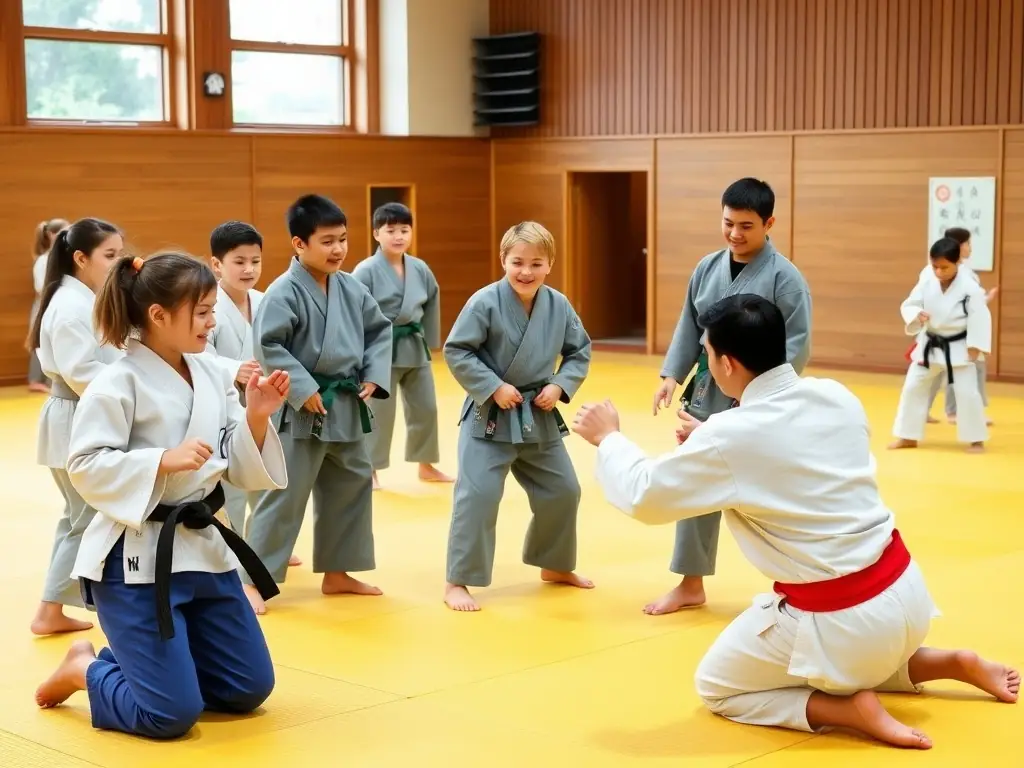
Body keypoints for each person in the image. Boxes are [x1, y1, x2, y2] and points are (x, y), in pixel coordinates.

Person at [572, 293, 1018, 750]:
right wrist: (712, 441)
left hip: (845, 621)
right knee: (855, 648)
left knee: (718, 685)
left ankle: (845, 708)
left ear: (727, 364)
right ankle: (950, 662)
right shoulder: (834, 395)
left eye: (706, 356)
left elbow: (645, 495)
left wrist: (610, 439)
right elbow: (796, 458)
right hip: (909, 595)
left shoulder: (734, 435)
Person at [34, 252, 288, 740]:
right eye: (203, 312)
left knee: (246, 689)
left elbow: (234, 462)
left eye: (213, 311)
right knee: (170, 716)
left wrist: (256, 416)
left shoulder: (212, 373)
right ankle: (87, 669)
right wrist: (159, 460)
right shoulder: (116, 382)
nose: (212, 323)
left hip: (202, 549)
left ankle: (155, 664)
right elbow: (84, 464)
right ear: (158, 315)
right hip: (135, 560)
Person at [648, 178, 811, 616]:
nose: (735, 234)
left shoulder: (785, 279)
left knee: (770, 491)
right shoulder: (706, 267)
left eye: (746, 225)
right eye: (728, 223)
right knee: (695, 479)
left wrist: (760, 401)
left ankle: (800, 582)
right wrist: (672, 374)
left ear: (769, 223)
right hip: (707, 388)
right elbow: (690, 324)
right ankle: (690, 581)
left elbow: (797, 346)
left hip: (757, 400)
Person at [243, 194, 393, 614]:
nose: (338, 249)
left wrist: (373, 374)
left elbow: (380, 332)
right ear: (298, 244)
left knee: (351, 486)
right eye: (327, 241)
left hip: (343, 403)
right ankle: (255, 579)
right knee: (284, 493)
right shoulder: (283, 292)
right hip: (302, 407)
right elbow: (269, 343)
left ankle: (339, 571)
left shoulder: (352, 287)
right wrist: (302, 387)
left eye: (343, 239)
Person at [442, 221, 592, 612]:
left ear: (550, 265)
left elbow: (579, 351)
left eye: (536, 263)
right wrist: (493, 386)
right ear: (503, 260)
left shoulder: (558, 305)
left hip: (537, 413)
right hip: (491, 413)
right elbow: (457, 350)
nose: (526, 271)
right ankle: (457, 580)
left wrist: (559, 386)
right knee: (478, 494)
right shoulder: (484, 302)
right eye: (517, 262)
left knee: (564, 490)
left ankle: (555, 564)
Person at [27, 218, 125, 636]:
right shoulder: (69, 307)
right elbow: (82, 372)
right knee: (84, 517)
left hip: (77, 414)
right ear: (80, 258)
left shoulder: (82, 298)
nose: (117, 263)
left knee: (80, 516)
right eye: (110, 256)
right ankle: (49, 610)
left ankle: (53, 608)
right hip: (73, 416)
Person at [204, 220, 302, 569]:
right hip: (225, 408)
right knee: (231, 485)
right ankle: (231, 555)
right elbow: (196, 357)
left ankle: (267, 546)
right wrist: (233, 370)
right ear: (217, 265)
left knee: (267, 476)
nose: (249, 269)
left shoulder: (267, 302)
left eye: (255, 261)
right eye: (239, 261)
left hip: (266, 404)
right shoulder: (206, 307)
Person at [352, 202, 452, 489]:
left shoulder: (420, 268)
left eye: (404, 230)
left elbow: (432, 301)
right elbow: (354, 311)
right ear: (376, 234)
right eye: (391, 230)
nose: (398, 236)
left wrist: (432, 341)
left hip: (413, 346)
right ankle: (369, 470)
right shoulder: (366, 270)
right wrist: (358, 352)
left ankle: (426, 464)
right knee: (380, 413)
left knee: (426, 408)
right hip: (380, 349)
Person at [890, 237, 990, 453]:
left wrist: (975, 345)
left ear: (957, 263)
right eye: (935, 266)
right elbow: (911, 303)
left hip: (959, 345)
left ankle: (976, 439)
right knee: (913, 387)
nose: (939, 272)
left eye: (945, 267)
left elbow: (980, 316)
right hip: (930, 343)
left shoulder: (970, 286)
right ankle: (907, 436)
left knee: (967, 393)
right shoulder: (926, 277)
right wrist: (917, 314)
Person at [923, 227, 998, 425]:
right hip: (950, 335)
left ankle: (952, 411)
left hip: (958, 333)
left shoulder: (965, 274)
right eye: (968, 244)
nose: (970, 248)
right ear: (958, 246)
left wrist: (985, 299)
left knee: (945, 372)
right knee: (956, 371)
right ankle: (955, 412)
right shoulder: (944, 274)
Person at [28, 218, 70, 393]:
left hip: (55, 302)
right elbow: (41, 287)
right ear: (52, 235)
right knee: (39, 340)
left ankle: (49, 379)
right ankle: (35, 380)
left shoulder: (59, 258)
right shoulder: (44, 260)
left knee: (53, 340)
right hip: (44, 303)